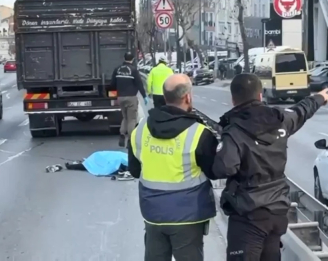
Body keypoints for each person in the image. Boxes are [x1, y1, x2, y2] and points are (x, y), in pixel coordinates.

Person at [210, 73, 328, 261]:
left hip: (248, 216)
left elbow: (223, 169)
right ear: (260, 96)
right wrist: (321, 96)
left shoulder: (233, 132)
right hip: (277, 213)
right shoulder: (281, 119)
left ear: (233, 100)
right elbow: (302, 109)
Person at [128, 73, 220, 261]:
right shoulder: (199, 133)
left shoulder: (141, 129)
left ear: (164, 96)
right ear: (187, 97)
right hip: (188, 216)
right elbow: (214, 171)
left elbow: (135, 170)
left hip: (153, 213)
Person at [111, 52, 149, 147]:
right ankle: (130, 139)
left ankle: (122, 134)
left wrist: (113, 97)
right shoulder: (134, 70)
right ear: (132, 59)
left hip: (120, 98)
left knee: (125, 117)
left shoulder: (117, 69)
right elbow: (139, 84)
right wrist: (144, 96)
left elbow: (112, 84)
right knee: (131, 119)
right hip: (131, 97)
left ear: (124, 58)